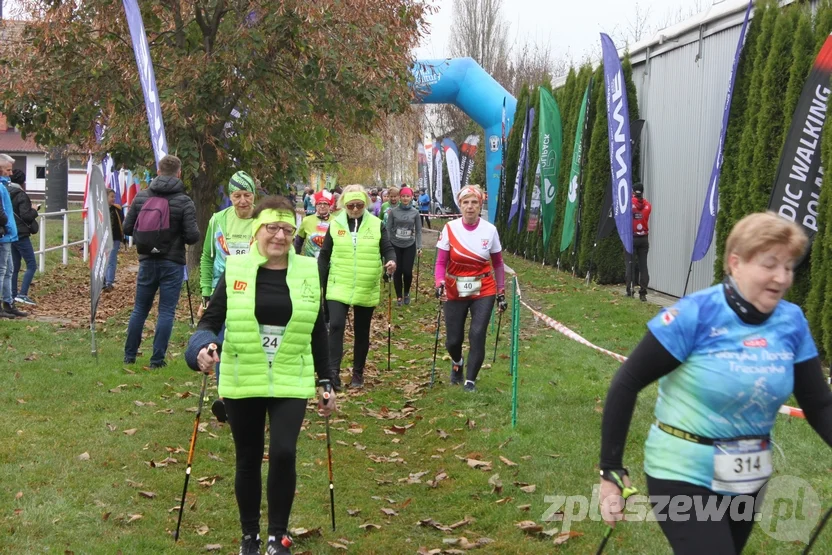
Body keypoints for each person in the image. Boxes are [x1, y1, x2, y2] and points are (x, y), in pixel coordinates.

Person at [598, 212, 832, 555]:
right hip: (682, 471)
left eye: (788, 266)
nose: (782, 278)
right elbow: (627, 382)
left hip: (748, 475)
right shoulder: (697, 313)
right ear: (735, 263)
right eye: (770, 264)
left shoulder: (791, 321)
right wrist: (611, 469)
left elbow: (819, 404)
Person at [185, 195, 336, 555]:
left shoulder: (308, 270)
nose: (280, 237)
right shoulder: (235, 270)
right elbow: (208, 324)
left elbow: (318, 328)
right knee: (248, 457)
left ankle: (277, 535)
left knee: (284, 452)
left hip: (290, 375)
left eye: (287, 229)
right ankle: (249, 536)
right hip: (243, 375)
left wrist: (326, 381)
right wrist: (201, 351)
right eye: (272, 228)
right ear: (258, 230)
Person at [123, 154, 199, 368]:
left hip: (147, 260)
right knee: (166, 310)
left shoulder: (141, 197)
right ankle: (157, 359)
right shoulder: (184, 201)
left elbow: (128, 228)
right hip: (172, 262)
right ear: (179, 173)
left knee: (140, 308)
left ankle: (129, 355)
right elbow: (192, 236)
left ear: (157, 171)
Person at [318, 184, 396, 390]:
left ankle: (357, 373)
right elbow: (324, 255)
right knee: (335, 325)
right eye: (350, 205)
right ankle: (333, 373)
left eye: (359, 205)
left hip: (366, 284)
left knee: (362, 331)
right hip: (338, 283)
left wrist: (391, 262)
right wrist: (319, 281)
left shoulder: (377, 224)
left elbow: (387, 248)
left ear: (365, 204)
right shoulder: (335, 225)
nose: (354, 209)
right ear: (344, 205)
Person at [434, 185, 506, 392]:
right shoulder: (450, 228)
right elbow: (440, 263)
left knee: (477, 333)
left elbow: (498, 263)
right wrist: (439, 283)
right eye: (465, 202)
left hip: (483, 287)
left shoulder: (490, 230)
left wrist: (500, 291)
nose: (470, 207)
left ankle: (471, 380)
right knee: (453, 340)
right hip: (455, 288)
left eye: (474, 202)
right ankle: (457, 362)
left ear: (480, 204)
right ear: (460, 205)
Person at [9, 169, 40, 305]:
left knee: (15, 266)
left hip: (11, 233)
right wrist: (34, 210)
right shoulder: (21, 195)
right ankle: (22, 294)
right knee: (31, 265)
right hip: (21, 234)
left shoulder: (6, 191)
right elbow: (26, 216)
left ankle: (12, 293)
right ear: (23, 182)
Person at [386, 186, 421, 306]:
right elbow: (388, 229)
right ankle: (399, 297)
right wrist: (389, 243)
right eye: (403, 196)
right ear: (400, 197)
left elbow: (419, 231)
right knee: (397, 271)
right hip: (395, 244)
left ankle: (406, 292)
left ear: (411, 198)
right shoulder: (393, 212)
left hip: (409, 244)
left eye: (408, 196)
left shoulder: (415, 212)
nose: (405, 198)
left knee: (407, 272)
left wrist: (419, 246)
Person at [0, 155, 25, 318]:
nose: (11, 173)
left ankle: (8, 302)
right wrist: (9, 227)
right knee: (2, 271)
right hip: (4, 235)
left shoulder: (4, 186)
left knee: (9, 270)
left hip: (8, 234)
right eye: (8, 170)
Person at [626, 181, 651, 301]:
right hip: (644, 239)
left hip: (632, 237)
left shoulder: (629, 204)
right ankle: (643, 293)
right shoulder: (648, 206)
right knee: (643, 266)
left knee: (630, 263)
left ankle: (629, 290)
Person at [294, 189, 334, 259]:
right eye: (319, 203)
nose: (322, 206)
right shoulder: (307, 220)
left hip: (330, 262)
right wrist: (295, 257)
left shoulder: (335, 220)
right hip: (310, 261)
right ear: (315, 205)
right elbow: (298, 242)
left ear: (329, 206)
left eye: (325, 203)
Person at [104, 188, 124, 293]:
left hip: (114, 238)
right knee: (103, 259)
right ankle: (102, 280)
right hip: (102, 238)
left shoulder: (117, 210)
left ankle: (109, 282)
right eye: (111, 197)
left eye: (114, 197)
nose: (113, 199)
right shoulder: (100, 209)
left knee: (111, 259)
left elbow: (122, 222)